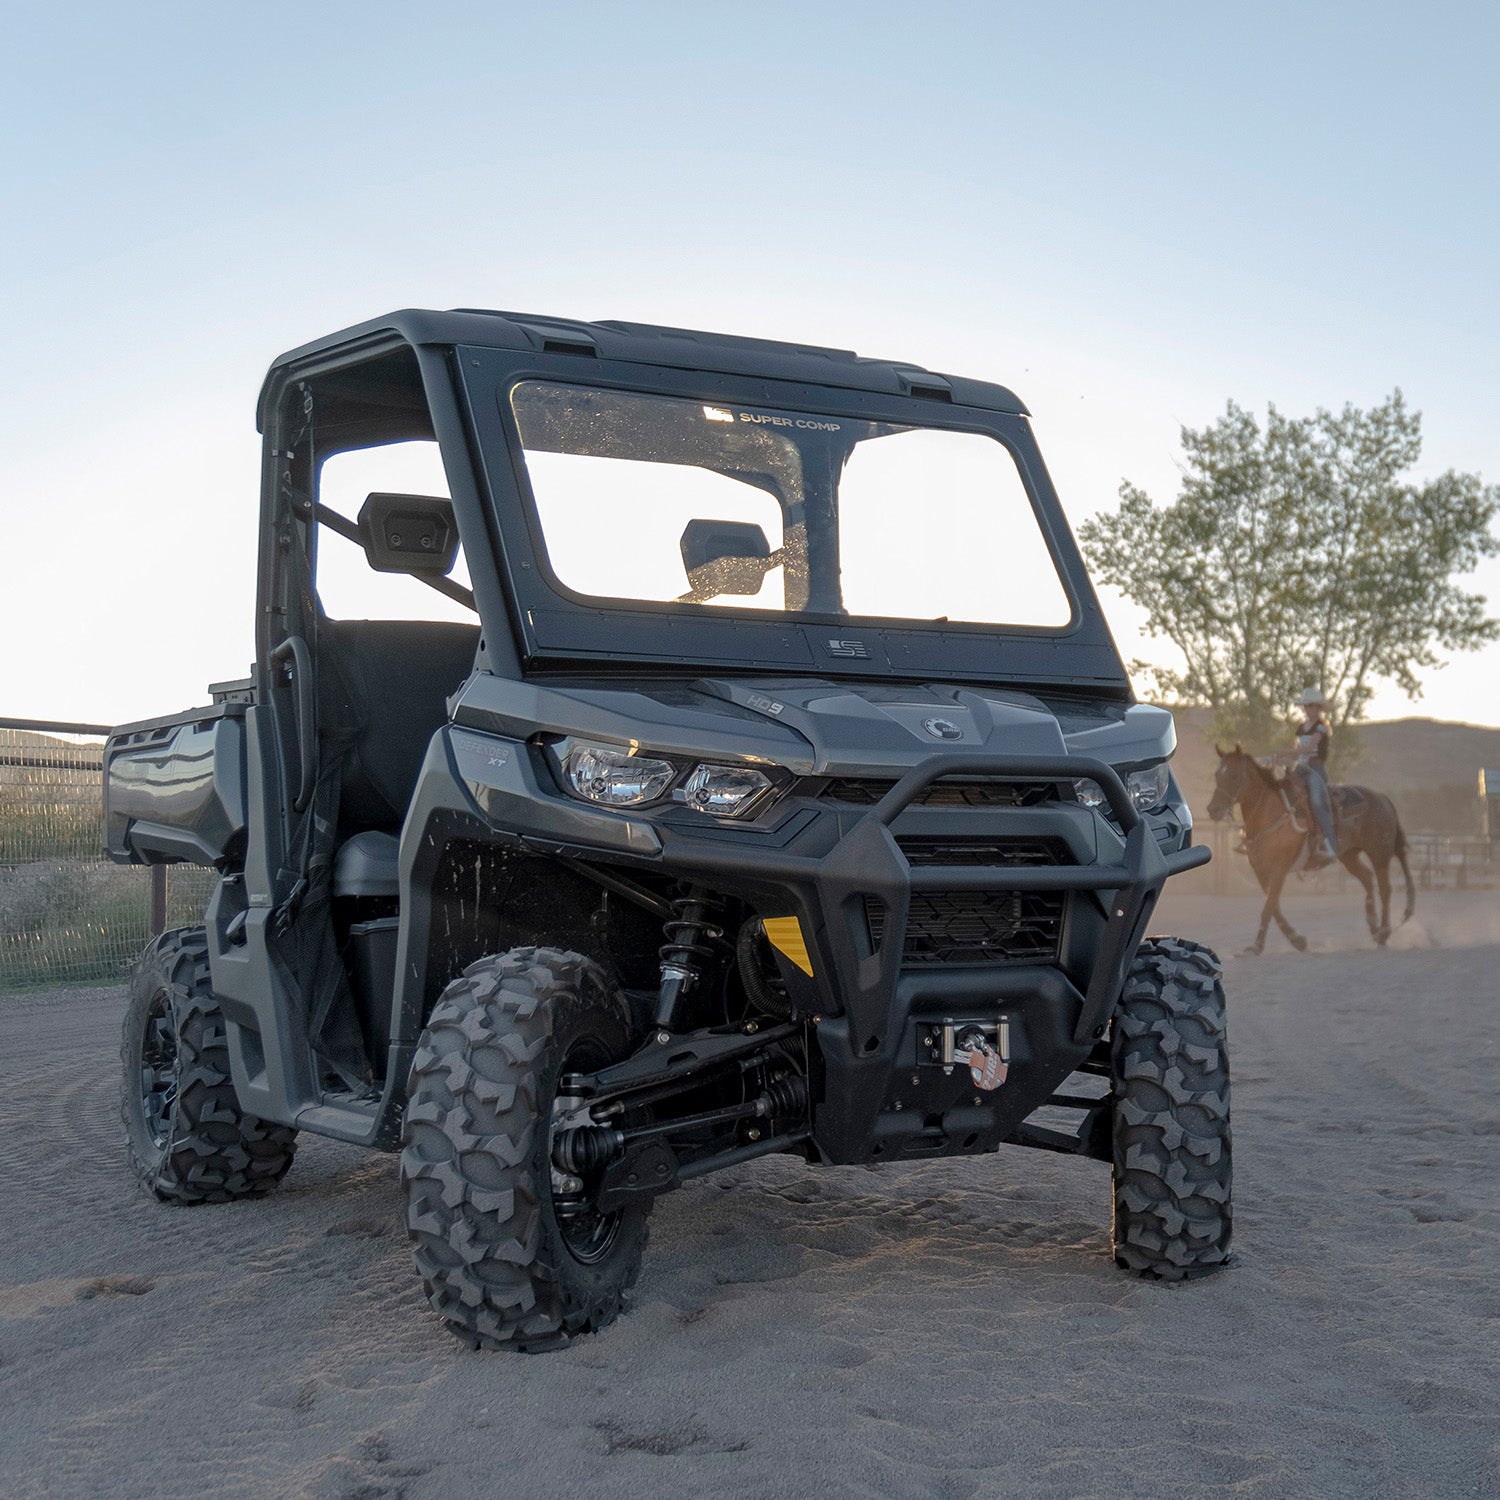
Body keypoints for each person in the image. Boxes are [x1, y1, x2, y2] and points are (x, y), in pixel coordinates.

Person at [1285, 687, 1337, 862]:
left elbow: (1307, 748)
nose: (1310, 710)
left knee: (1316, 800)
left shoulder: (1321, 728)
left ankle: (1330, 842)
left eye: (1313, 706)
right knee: (1284, 793)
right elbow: (1297, 750)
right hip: (1301, 767)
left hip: (1315, 769)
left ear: (1319, 709)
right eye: (1307, 706)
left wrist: (1284, 752)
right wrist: (1280, 758)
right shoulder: (1301, 728)